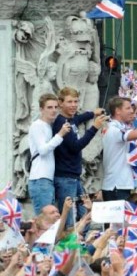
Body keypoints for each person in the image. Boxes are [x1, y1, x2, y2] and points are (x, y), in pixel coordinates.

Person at [52, 87, 107, 227]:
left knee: (86, 215)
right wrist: (94, 127)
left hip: (74, 177)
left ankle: (82, 242)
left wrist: (92, 113)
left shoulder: (70, 120)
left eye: (76, 101)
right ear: (60, 103)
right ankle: (69, 247)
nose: (73, 105)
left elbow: (78, 118)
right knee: (69, 219)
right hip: (65, 177)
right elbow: (75, 146)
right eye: (69, 102)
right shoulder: (61, 122)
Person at [101, 96, 137, 201]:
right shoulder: (113, 129)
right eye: (128, 108)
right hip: (115, 186)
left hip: (123, 184)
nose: (131, 111)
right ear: (118, 111)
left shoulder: (123, 128)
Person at [28, 93, 71, 215]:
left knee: (49, 223)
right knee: (44, 223)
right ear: (41, 109)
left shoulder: (48, 126)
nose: (53, 110)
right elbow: (42, 150)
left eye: (56, 107)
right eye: (49, 107)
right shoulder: (37, 125)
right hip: (40, 179)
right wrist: (60, 134)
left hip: (47, 180)